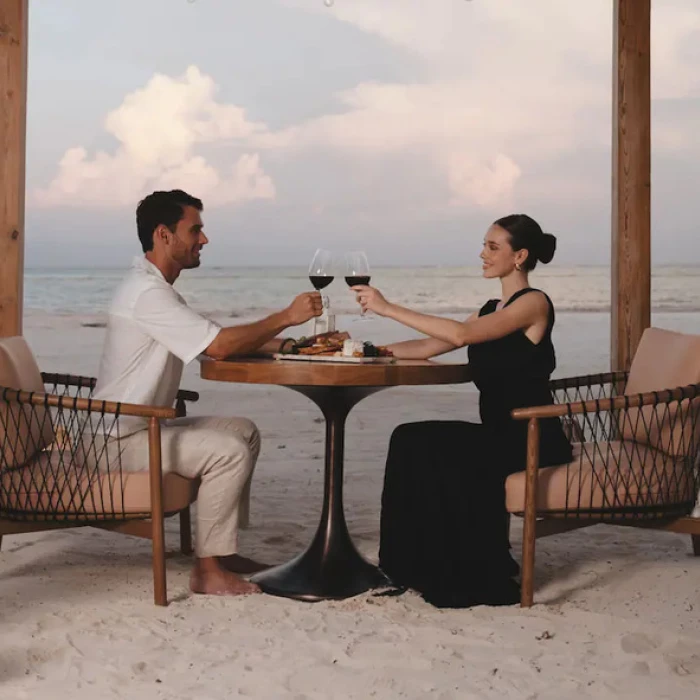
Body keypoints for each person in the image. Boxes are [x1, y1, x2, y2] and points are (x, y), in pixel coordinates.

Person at [93, 189, 323, 596]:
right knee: (227, 449)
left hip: (140, 426)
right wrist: (286, 317)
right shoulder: (147, 294)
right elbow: (218, 346)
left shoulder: (154, 289)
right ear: (164, 235)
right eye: (195, 229)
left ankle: (221, 551)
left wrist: (289, 345)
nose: (204, 239)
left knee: (242, 430)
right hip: (117, 440)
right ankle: (207, 572)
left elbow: (215, 335)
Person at [352, 214, 573, 607]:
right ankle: (406, 565)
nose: (482, 254)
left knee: (442, 452)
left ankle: (467, 569)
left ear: (519, 256)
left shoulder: (533, 303)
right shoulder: (491, 308)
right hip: (498, 433)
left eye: (493, 247)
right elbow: (431, 346)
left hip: (533, 436)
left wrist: (387, 307)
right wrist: (370, 352)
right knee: (409, 438)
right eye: (484, 245)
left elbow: (460, 335)